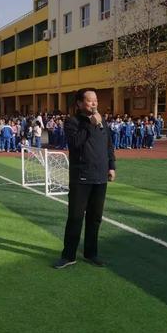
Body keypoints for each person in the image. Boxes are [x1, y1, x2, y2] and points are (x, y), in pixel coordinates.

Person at [54, 88, 116, 269]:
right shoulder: (72, 122)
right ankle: (68, 255)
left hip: (100, 176)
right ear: (80, 103)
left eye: (95, 100)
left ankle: (91, 253)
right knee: (75, 217)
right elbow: (74, 144)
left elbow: (108, 145)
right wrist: (90, 123)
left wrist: (112, 166)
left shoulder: (102, 121)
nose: (94, 103)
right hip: (81, 177)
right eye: (90, 100)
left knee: (95, 218)